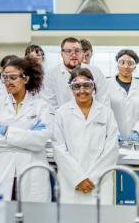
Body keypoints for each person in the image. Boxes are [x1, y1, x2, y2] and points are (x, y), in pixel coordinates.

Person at [0, 57, 52, 202]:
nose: (8, 81)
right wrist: (26, 140)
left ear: (25, 79)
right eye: (5, 77)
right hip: (1, 174)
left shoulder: (41, 106)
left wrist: (6, 131)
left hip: (31, 176)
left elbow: (39, 140)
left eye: (13, 77)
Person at [53, 68, 118, 205]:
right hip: (71, 182)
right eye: (76, 86)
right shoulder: (62, 113)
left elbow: (111, 149)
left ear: (93, 87)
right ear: (71, 88)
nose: (82, 91)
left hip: (100, 181)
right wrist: (78, 178)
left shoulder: (106, 113)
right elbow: (59, 149)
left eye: (86, 86)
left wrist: (93, 178)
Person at [41, 37, 109, 110]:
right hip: (61, 120)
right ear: (62, 54)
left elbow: (104, 102)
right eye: (68, 51)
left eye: (77, 51)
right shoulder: (50, 75)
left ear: (82, 53)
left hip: (93, 119)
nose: (73, 55)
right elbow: (50, 107)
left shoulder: (96, 72)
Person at [107, 50, 139, 140]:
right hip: (112, 137)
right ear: (117, 65)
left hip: (138, 139)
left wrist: (138, 130)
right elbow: (104, 111)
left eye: (130, 63)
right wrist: (113, 131)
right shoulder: (106, 85)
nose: (126, 66)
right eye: (122, 62)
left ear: (135, 67)